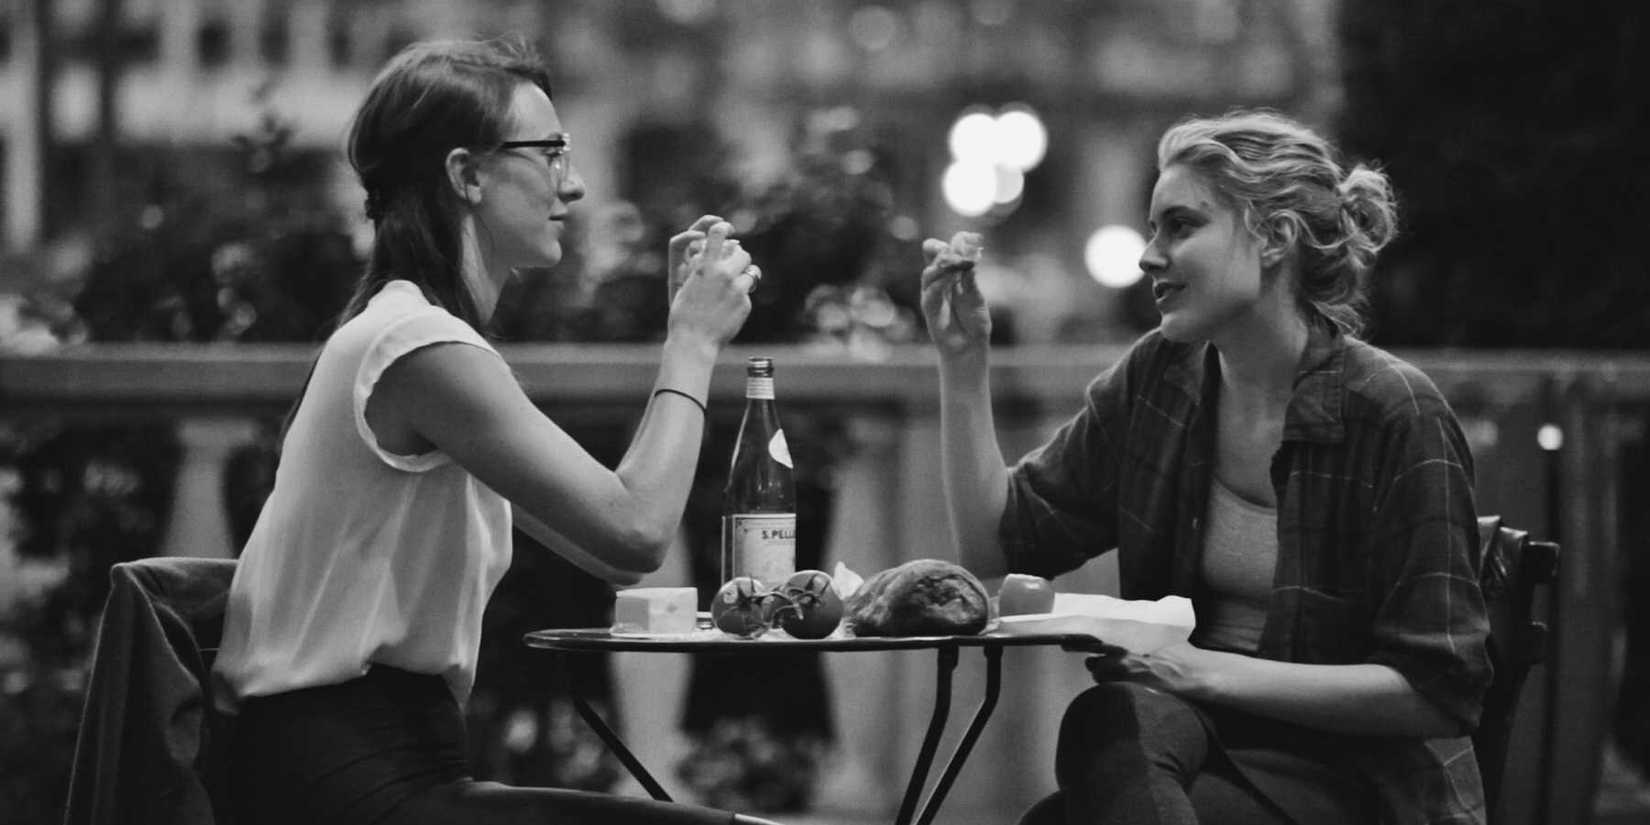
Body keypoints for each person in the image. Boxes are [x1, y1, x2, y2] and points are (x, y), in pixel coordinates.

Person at [211, 38, 778, 825]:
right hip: (347, 782)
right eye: (548, 154)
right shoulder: (416, 345)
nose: (572, 185)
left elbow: (607, 542)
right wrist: (692, 342)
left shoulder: (415, 334)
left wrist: (688, 336)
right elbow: (636, 532)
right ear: (466, 175)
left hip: (373, 765)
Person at [918, 109, 1491, 825]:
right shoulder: (1161, 380)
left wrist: (1202, 672)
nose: (1147, 255)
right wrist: (963, 362)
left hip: (1360, 777)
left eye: (1180, 227)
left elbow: (1435, 692)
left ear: (1274, 237)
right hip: (1190, 742)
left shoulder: (1394, 412)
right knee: (1112, 716)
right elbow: (997, 545)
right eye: (1153, 227)